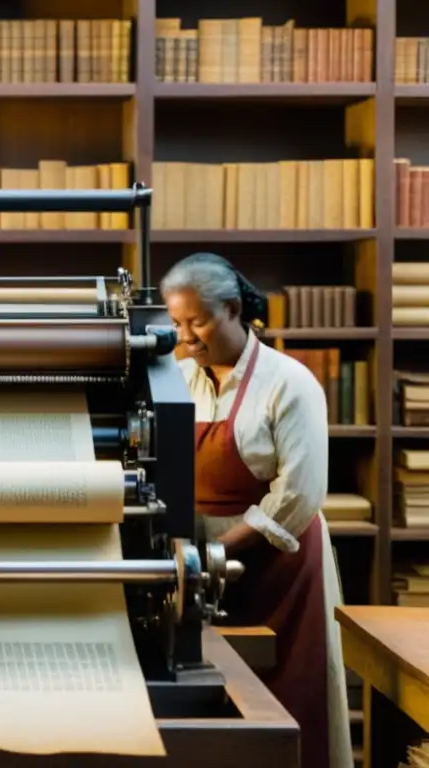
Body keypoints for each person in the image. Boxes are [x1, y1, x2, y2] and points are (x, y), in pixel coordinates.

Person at [161, 253, 351, 768]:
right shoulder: (174, 378)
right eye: (176, 323)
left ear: (232, 309)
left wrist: (217, 551)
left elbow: (299, 494)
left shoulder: (289, 383)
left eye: (196, 321)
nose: (186, 336)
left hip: (279, 565)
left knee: (293, 694)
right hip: (201, 566)